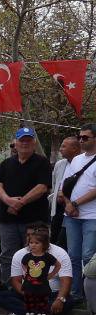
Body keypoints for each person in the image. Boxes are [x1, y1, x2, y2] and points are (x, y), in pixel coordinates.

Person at [0, 128, 52, 283]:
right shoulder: (5, 164)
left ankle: (34, 288)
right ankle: (9, 288)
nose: (25, 143)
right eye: (21, 140)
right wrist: (8, 200)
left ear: (34, 143)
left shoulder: (42, 163)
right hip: (8, 220)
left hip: (34, 220)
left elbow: (42, 187)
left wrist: (20, 202)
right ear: (15, 143)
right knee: (7, 256)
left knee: (35, 254)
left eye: (28, 140)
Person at [58, 124, 96, 304]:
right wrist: (67, 204)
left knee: (88, 255)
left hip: (92, 215)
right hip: (72, 215)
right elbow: (65, 185)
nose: (81, 140)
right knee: (73, 255)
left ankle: (90, 296)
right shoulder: (77, 160)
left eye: (85, 137)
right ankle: (75, 293)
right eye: (80, 137)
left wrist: (75, 203)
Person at [11, 225, 63, 315]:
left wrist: (51, 274)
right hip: (29, 285)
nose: (33, 245)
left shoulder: (48, 257)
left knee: (42, 304)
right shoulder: (27, 256)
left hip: (42, 286)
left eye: (36, 243)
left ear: (44, 244)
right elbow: (23, 264)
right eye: (31, 243)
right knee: (29, 303)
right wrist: (26, 272)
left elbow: (58, 265)